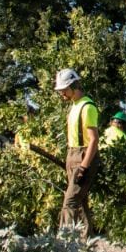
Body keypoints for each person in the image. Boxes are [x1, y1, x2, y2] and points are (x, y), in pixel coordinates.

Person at [55, 68, 99, 238]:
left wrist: (83, 167)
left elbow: (93, 140)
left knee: (70, 201)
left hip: (84, 156)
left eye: (63, 90)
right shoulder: (74, 106)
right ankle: (86, 241)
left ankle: (64, 242)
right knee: (80, 202)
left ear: (73, 86)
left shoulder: (87, 107)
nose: (62, 94)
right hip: (72, 154)